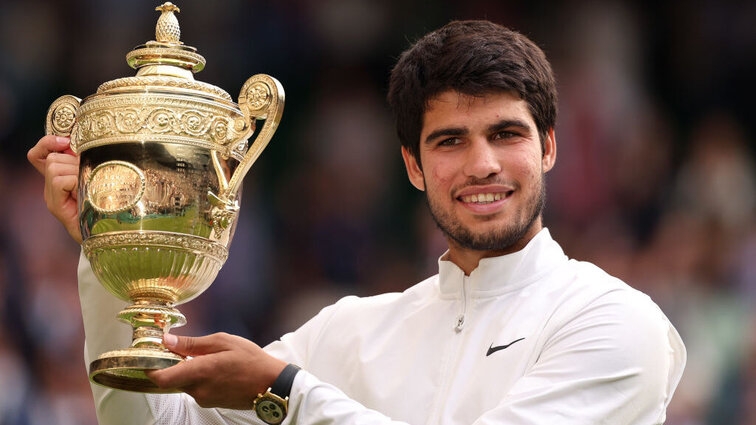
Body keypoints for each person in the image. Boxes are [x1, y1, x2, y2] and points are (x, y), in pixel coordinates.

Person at [29, 20, 686, 424]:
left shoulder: (615, 321)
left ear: (548, 146)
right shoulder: (350, 332)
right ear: (412, 165)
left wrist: (285, 393)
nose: (483, 164)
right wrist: (110, 244)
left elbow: (287, 394)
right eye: (450, 140)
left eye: (506, 134)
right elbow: (153, 422)